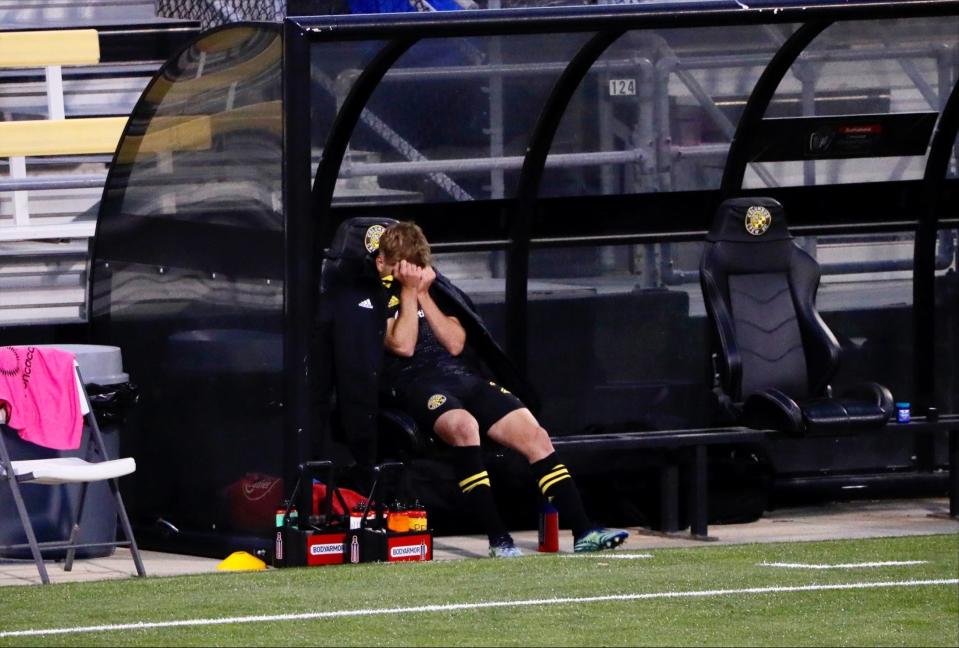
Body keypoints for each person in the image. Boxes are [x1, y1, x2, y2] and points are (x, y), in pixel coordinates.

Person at [375, 221, 629, 557]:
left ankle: (583, 531)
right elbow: (403, 345)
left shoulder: (436, 291)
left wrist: (422, 292)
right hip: (416, 384)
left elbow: (454, 343)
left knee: (535, 435)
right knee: (465, 427)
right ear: (387, 264)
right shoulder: (375, 297)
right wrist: (407, 292)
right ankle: (499, 540)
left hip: (460, 376)